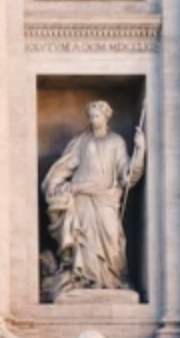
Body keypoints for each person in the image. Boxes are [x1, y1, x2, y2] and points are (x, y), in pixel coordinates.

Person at [42, 100, 145, 293]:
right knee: (84, 238)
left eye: (96, 116)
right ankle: (88, 280)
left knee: (111, 235)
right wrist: (55, 184)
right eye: (90, 116)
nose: (93, 120)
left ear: (106, 117)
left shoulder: (116, 142)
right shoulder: (82, 141)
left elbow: (126, 173)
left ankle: (112, 278)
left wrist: (139, 150)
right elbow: (66, 165)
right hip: (82, 194)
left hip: (106, 197)